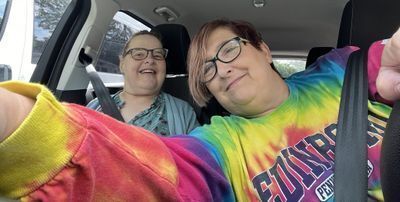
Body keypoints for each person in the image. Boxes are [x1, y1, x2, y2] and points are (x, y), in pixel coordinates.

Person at [0, 19, 399, 201]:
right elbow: (155, 175)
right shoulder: (218, 145)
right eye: (206, 69)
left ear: (261, 48)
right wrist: (23, 126)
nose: (222, 68)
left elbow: (386, 62)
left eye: (229, 50)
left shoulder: (339, 70)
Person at [87, 30, 199, 136]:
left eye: (158, 55)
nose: (150, 60)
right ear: (122, 64)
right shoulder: (95, 106)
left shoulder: (184, 113)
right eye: (139, 54)